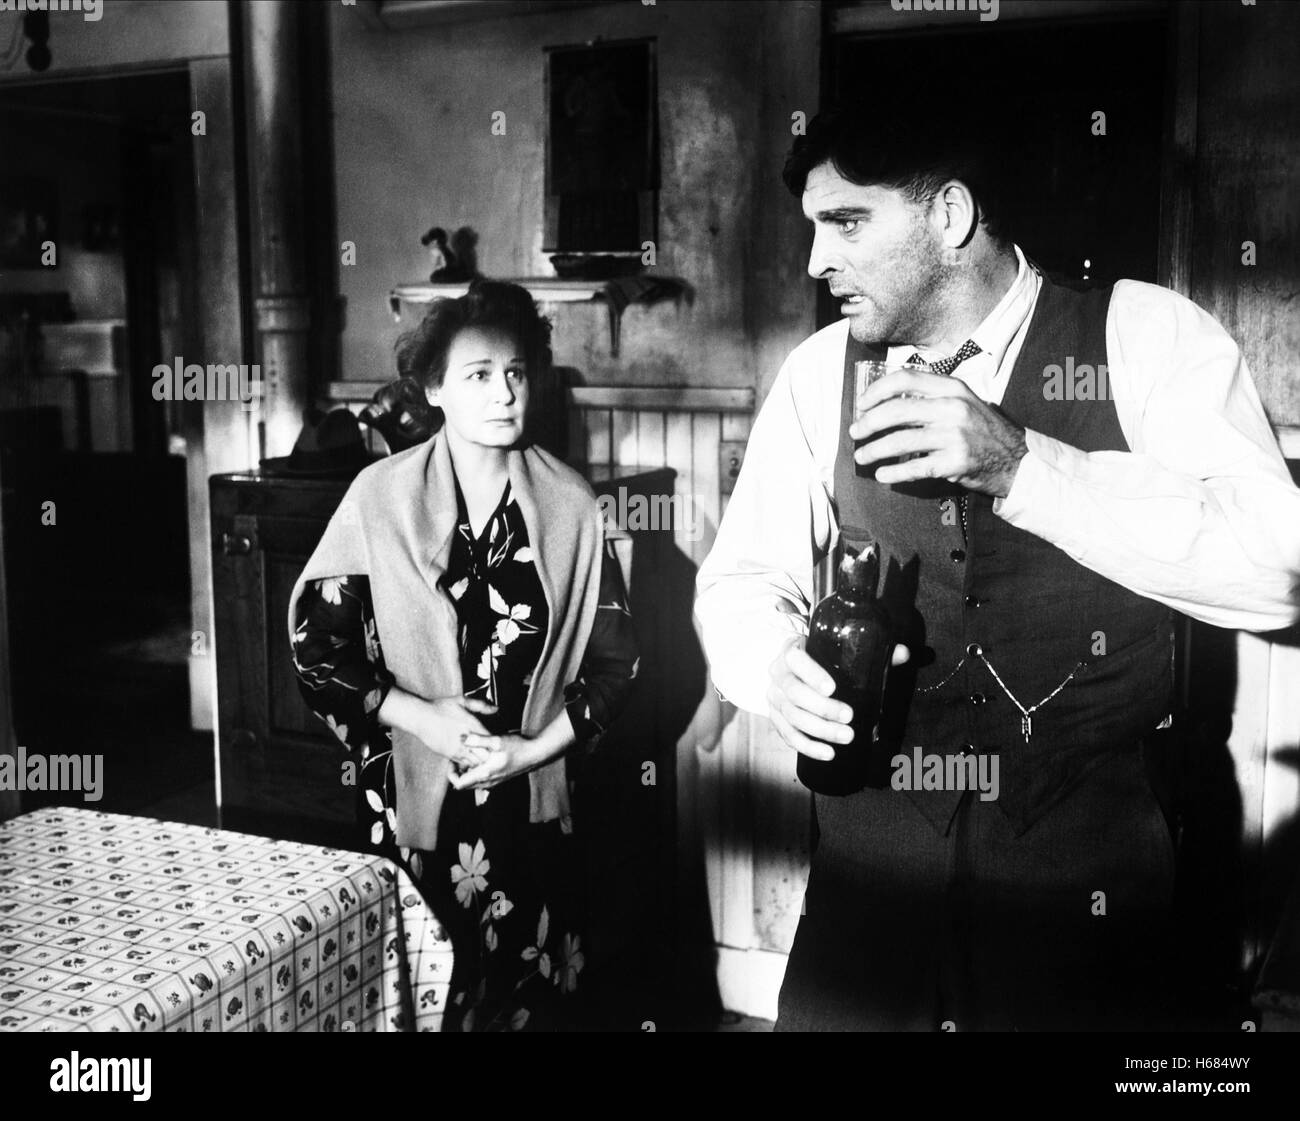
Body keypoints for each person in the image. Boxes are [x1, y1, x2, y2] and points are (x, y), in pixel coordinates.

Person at [695, 105, 1300, 1031]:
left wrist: (1025, 466)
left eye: (846, 223)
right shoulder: (822, 373)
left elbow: (1276, 572)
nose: (816, 261)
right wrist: (776, 667)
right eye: (813, 227)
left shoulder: (1144, 337)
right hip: (870, 898)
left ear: (950, 216)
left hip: (1088, 906)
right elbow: (739, 583)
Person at [290, 280, 638, 1031]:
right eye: (478, 375)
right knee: (424, 1002)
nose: (505, 393)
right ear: (434, 388)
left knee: (531, 1006)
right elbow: (317, 649)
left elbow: (619, 667)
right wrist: (422, 716)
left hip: (535, 812)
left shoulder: (573, 506)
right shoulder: (377, 497)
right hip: (416, 811)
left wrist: (530, 750)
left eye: (516, 373)